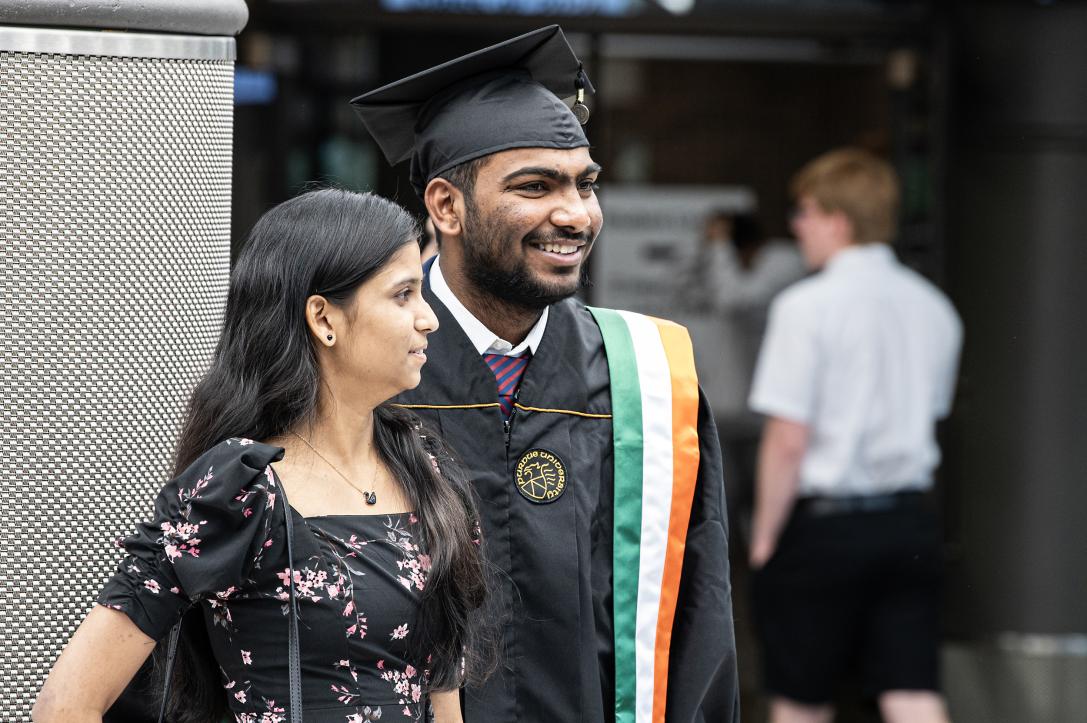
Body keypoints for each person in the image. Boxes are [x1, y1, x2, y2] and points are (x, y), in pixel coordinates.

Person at [352, 26, 740, 723]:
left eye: (585, 184)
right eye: (536, 186)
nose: (575, 214)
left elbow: (698, 619)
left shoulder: (648, 378)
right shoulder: (357, 379)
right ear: (446, 207)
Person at [33, 189, 489, 723]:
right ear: (324, 319)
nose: (428, 318)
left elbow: (445, 701)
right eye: (403, 294)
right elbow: (65, 705)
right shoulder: (240, 488)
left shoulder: (426, 469)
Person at [747, 148, 961, 723]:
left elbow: (789, 437)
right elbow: (931, 412)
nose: (796, 226)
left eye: (804, 212)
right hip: (910, 521)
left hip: (824, 527)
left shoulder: (805, 307)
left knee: (801, 697)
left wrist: (765, 538)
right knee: (912, 690)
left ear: (837, 219)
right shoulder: (935, 308)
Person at [680, 209, 806, 546]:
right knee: (726, 500)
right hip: (735, 407)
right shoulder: (737, 271)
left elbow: (733, 299)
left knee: (767, 497)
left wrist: (720, 247)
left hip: (772, 410)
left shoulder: (783, 261)